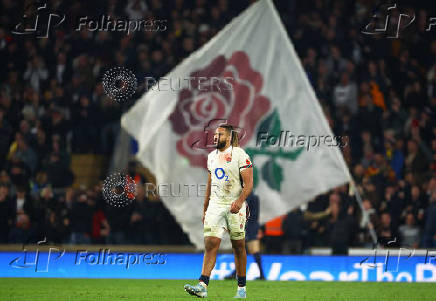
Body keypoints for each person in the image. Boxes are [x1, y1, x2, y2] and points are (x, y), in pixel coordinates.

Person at [184, 124, 253, 299]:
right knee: (210, 243)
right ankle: (202, 285)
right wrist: (205, 208)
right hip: (216, 205)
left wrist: (239, 202)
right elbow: (210, 183)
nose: (215, 137)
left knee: (238, 246)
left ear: (229, 138)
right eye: (215, 135)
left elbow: (249, 184)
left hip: (234, 205)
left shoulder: (240, 155)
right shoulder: (211, 157)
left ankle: (241, 288)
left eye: (219, 134)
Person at [225, 192, 266, 280]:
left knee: (252, 250)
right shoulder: (254, 196)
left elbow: (243, 211)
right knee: (244, 250)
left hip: (249, 227)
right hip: (252, 226)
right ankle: (235, 273)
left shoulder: (248, 197)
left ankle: (262, 275)